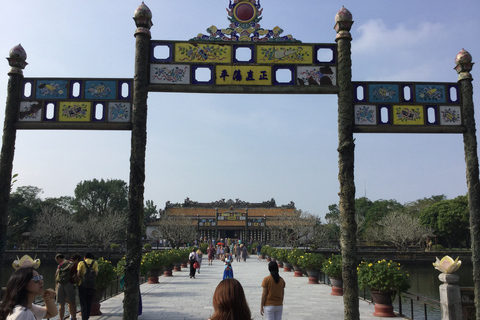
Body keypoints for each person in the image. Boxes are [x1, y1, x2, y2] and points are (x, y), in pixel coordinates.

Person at [55, 253, 77, 320]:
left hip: (60, 284)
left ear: (59, 258)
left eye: (57, 259)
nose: (57, 261)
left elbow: (56, 275)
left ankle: (61, 318)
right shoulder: (72, 264)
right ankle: (73, 318)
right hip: (69, 284)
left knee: (61, 304)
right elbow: (76, 274)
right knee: (72, 302)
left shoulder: (60, 265)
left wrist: (56, 287)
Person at [77, 253, 98, 320]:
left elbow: (78, 274)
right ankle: (88, 316)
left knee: (83, 302)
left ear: (84, 257)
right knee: (89, 301)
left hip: (82, 285)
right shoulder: (95, 263)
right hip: (91, 286)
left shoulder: (81, 263)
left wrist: (81, 278)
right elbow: (96, 273)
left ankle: (84, 317)